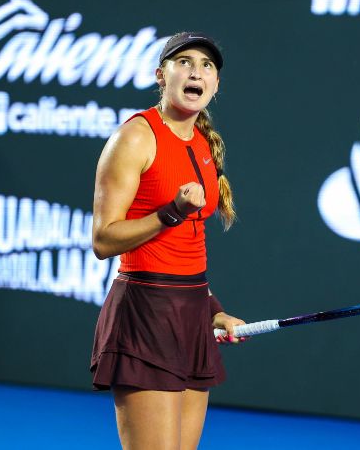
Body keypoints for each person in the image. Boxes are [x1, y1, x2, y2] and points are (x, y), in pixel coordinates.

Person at [90, 32, 247, 449]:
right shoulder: (136, 136)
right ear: (162, 76)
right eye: (185, 61)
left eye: (207, 65)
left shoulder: (203, 146)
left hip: (192, 314)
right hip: (145, 312)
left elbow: (188, 249)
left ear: (215, 86)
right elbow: (104, 240)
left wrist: (213, 310)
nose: (197, 70)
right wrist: (170, 213)